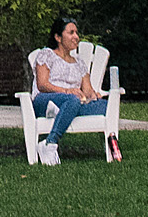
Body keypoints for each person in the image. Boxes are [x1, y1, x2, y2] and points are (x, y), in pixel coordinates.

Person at [29, 17, 110, 164]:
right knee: (72, 100)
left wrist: (94, 96)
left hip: (71, 102)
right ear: (58, 37)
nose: (76, 37)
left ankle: (63, 112)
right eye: (71, 33)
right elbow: (42, 85)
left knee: (105, 106)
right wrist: (67, 91)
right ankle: (50, 143)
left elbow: (87, 91)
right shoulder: (46, 55)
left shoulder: (79, 63)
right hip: (45, 100)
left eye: (76, 33)